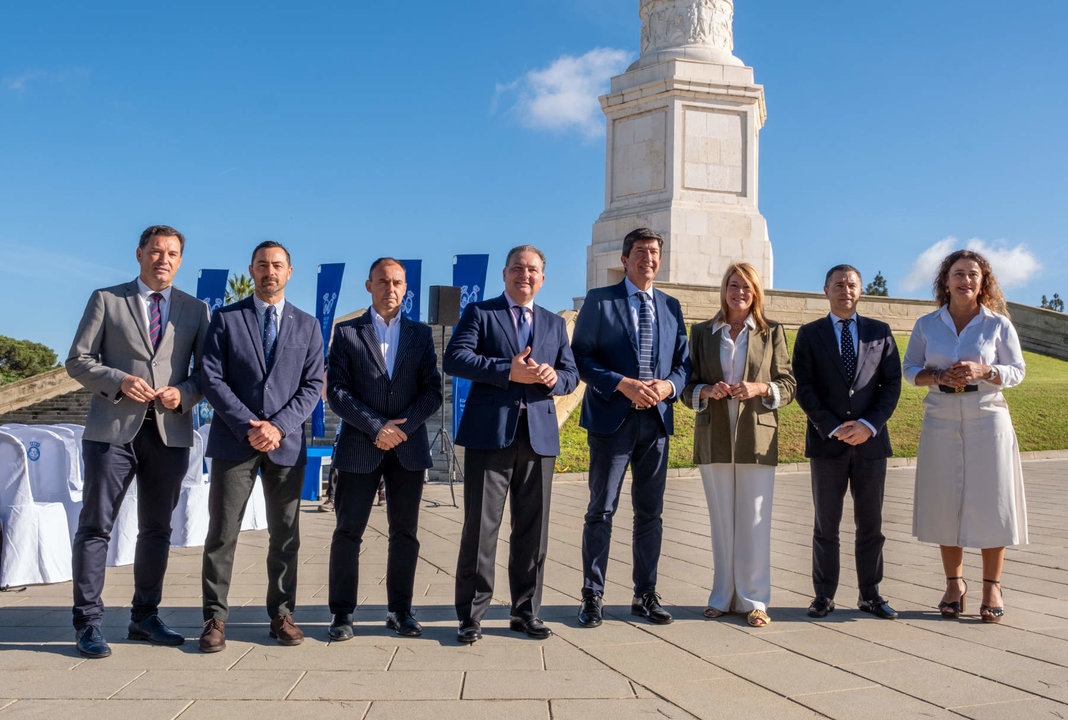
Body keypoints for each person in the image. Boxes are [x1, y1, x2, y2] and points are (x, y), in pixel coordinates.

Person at [65, 224, 210, 658]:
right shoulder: (106, 299)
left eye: (172, 253)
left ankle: (144, 617)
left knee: (157, 530)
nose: (163, 259)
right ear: (139, 253)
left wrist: (182, 393)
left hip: (169, 433)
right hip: (112, 432)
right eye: (155, 251)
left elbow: (206, 374)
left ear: (180, 261)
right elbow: (77, 360)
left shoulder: (195, 309)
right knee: (95, 527)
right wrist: (119, 379)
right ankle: (87, 623)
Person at [444, 245, 578, 643]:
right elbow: (455, 359)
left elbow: (572, 374)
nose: (525, 275)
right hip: (490, 436)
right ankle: (471, 616)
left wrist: (556, 379)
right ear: (504, 275)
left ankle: (525, 612)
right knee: (481, 529)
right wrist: (508, 371)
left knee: (533, 532)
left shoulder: (554, 324)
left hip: (538, 438)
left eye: (533, 269)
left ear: (543, 277)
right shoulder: (480, 313)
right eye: (517, 268)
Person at [197, 241, 324, 652]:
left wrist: (279, 427)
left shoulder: (308, 325)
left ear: (290, 272)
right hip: (236, 442)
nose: (270, 271)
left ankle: (281, 614)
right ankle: (214, 618)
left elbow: (313, 385)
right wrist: (248, 425)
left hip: (284, 446)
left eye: (278, 265)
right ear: (251, 270)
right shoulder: (226, 319)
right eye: (263, 265)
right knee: (222, 532)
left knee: (286, 535)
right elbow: (211, 378)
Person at [571, 228, 690, 628]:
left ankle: (645, 593)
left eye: (655, 252)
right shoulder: (599, 301)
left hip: (655, 423)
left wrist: (668, 386)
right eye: (640, 252)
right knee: (601, 510)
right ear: (625, 259)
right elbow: (580, 359)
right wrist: (622, 384)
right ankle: (592, 595)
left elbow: (684, 365)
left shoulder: (672, 307)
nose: (649, 259)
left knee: (650, 514)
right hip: (611, 419)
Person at [903, 249, 1027, 623]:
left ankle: (992, 585)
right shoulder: (927, 324)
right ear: (945, 281)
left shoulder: (998, 324)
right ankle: (954, 584)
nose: (966, 280)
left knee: (993, 498)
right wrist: (938, 376)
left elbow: (1018, 371)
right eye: (958, 274)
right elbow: (909, 370)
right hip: (940, 415)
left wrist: (986, 370)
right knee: (945, 499)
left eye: (973, 274)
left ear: (983, 282)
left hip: (987, 415)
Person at [325, 258, 442, 640]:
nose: (390, 289)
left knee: (404, 533)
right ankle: (342, 614)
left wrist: (400, 429)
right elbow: (338, 393)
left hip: (406, 449)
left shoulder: (420, 335)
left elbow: (432, 392)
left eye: (397, 283)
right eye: (382, 282)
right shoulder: (346, 334)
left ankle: (400, 611)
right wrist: (377, 427)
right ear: (368, 285)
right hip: (361, 445)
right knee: (348, 532)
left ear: (405, 287)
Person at [680, 262, 794, 627]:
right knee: (720, 519)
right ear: (723, 289)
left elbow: (789, 384)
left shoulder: (771, 331)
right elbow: (685, 386)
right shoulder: (701, 333)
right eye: (733, 285)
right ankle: (722, 596)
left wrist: (761, 388)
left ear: (755, 293)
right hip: (714, 430)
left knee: (755, 520)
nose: (739, 293)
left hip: (756, 434)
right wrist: (705, 390)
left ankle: (755, 600)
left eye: (746, 287)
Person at [793, 265, 901, 621]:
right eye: (838, 284)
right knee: (826, 525)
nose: (845, 290)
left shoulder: (880, 332)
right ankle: (823, 596)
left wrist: (869, 425)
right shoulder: (809, 334)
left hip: (871, 444)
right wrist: (834, 427)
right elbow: (804, 387)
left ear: (861, 291)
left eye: (852, 284)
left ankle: (870, 595)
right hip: (828, 444)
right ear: (825, 290)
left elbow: (892, 385)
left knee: (871, 524)